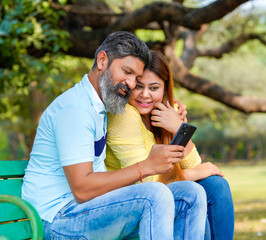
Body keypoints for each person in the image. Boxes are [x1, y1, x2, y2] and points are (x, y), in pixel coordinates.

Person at [22, 31, 208, 240]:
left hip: (87, 209)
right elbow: (82, 190)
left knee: (191, 194)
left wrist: (174, 113)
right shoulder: (75, 109)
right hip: (57, 220)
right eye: (126, 71)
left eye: (135, 78)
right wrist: (146, 166)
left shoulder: (100, 106)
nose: (130, 83)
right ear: (102, 60)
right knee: (155, 195)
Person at [105, 50, 235, 239]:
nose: (145, 95)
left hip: (161, 191)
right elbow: (147, 181)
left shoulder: (165, 112)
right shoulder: (123, 114)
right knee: (198, 197)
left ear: (165, 89)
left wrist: (178, 127)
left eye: (154, 87)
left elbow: (193, 163)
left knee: (216, 185)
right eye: (139, 87)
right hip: (127, 198)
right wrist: (194, 174)